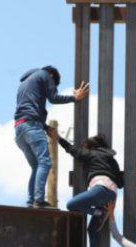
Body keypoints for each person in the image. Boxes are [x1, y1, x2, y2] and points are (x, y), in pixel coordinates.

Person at [49, 130, 123, 247]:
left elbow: (72, 150)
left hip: (100, 190)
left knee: (71, 205)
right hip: (111, 197)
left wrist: (58, 138)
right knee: (92, 229)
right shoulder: (111, 159)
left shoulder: (91, 154)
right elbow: (120, 183)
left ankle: (100, 213)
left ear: (90, 147)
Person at [14, 66, 89, 208]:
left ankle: (31, 201)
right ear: (52, 76)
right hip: (32, 126)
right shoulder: (44, 74)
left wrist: (46, 128)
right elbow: (53, 98)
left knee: (37, 165)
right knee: (45, 162)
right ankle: (38, 201)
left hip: (19, 128)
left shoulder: (24, 83)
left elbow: (29, 107)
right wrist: (75, 98)